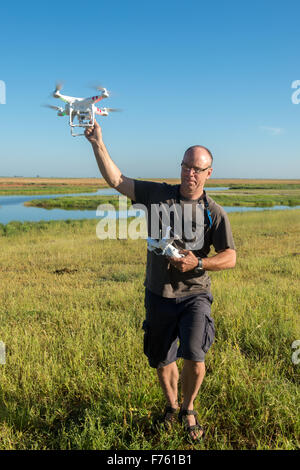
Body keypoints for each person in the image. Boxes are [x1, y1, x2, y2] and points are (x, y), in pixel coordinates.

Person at [85, 121, 236, 442]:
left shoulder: (214, 213)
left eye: (197, 168)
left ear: (209, 173)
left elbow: (230, 256)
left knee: (195, 356)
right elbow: (116, 180)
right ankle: (171, 407)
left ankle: (188, 408)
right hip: (158, 294)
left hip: (195, 295)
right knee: (162, 357)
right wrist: (97, 142)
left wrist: (200, 262)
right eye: (185, 166)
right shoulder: (157, 194)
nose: (189, 173)